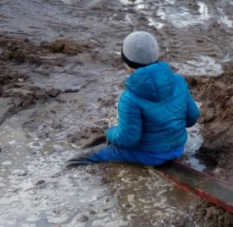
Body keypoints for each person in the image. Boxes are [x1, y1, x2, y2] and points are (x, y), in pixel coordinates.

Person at [67, 31, 200, 166]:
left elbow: (128, 140)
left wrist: (109, 133)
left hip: (149, 155)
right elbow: (193, 117)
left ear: (127, 63)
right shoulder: (178, 81)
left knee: (80, 158)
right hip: (178, 149)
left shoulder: (130, 98)